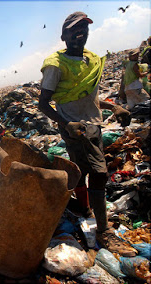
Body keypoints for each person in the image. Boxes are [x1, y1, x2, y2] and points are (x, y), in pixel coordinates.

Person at [39, 11, 136, 256]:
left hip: (95, 125)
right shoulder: (55, 65)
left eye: (84, 28)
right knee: (100, 173)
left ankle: (84, 208)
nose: (79, 33)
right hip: (75, 128)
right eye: (73, 29)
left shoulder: (91, 60)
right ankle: (103, 232)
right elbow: (43, 104)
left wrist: (113, 106)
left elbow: (88, 97)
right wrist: (66, 124)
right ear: (64, 35)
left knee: (82, 171)